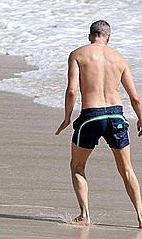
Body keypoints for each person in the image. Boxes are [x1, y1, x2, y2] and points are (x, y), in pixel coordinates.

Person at [55, 20, 142, 227]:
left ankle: (84, 215)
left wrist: (67, 117)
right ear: (108, 37)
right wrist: (141, 118)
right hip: (116, 116)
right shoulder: (119, 58)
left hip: (91, 117)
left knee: (77, 166)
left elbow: (72, 91)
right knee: (127, 169)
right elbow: (135, 98)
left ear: (89, 36)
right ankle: (140, 216)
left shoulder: (78, 54)